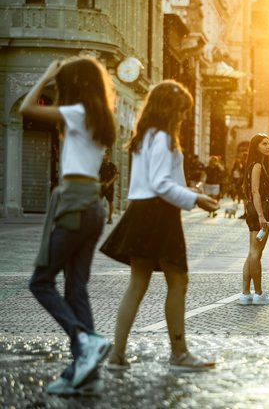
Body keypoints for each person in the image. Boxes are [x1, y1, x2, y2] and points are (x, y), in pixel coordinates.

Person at [100, 81, 218, 372]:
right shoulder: (164, 138)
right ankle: (179, 354)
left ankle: (117, 355)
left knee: (137, 284)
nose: (183, 116)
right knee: (178, 282)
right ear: (168, 107)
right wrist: (196, 198)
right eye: (181, 110)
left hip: (140, 211)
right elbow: (161, 184)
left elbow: (156, 180)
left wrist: (190, 191)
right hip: (159, 214)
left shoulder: (145, 136)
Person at [20, 57, 116, 395]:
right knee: (76, 287)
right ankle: (85, 373)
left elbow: (27, 108)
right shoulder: (101, 118)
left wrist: (46, 75)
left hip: (75, 202)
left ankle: (84, 341)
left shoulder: (77, 114)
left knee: (41, 282)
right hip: (94, 205)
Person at [239, 134, 269, 306]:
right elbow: (255, 191)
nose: (268, 146)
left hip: (252, 210)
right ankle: (258, 294)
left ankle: (245, 294)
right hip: (260, 210)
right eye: (264, 144)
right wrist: (261, 216)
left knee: (251, 252)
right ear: (256, 146)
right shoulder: (258, 166)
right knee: (256, 253)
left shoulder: (253, 165)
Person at [99, 151, 119, 224]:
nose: (103, 157)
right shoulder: (100, 165)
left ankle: (110, 218)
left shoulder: (112, 165)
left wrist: (109, 183)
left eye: (105, 156)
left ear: (108, 156)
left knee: (110, 202)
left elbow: (116, 175)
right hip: (101, 186)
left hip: (109, 187)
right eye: (103, 155)